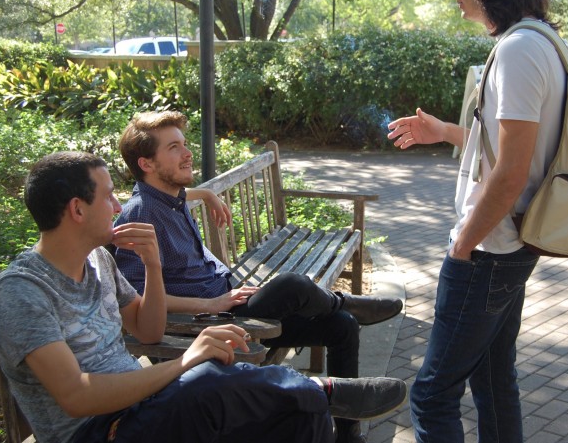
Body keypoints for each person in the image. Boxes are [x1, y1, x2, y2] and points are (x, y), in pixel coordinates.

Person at [0, 151, 407, 443]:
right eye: (109, 196)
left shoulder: (99, 260)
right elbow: (77, 398)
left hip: (145, 409)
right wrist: (187, 361)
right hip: (100, 431)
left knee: (300, 415)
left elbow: (147, 331)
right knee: (206, 377)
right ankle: (323, 389)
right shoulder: (23, 292)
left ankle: (318, 396)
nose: (118, 205)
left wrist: (153, 265)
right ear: (77, 210)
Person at [112, 111, 403, 443]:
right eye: (174, 147)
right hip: (211, 323)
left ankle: (348, 437)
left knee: (343, 326)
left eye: (185, 143)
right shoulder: (140, 214)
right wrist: (210, 302)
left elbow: (173, 196)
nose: (187, 153)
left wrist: (205, 194)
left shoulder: (170, 198)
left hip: (232, 303)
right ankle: (343, 302)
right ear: (147, 164)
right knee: (292, 285)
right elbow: (135, 295)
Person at [386, 0, 566, 442]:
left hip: (488, 250)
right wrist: (446, 132)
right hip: (508, 246)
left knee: (432, 393)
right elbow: (515, 150)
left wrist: (462, 244)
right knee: (491, 380)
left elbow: (510, 172)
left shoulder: (519, 49)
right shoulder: (540, 40)